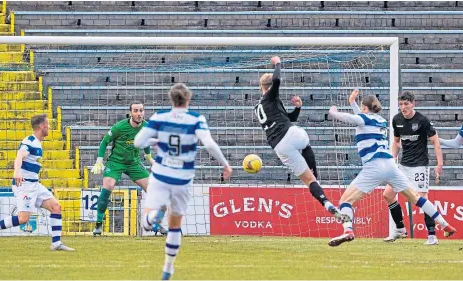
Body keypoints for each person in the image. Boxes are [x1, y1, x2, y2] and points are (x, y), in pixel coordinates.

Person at [327, 92, 456, 247]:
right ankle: (444, 225)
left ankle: (348, 230)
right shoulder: (381, 120)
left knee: (345, 201)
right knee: (416, 198)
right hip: (391, 164)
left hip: (375, 166)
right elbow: (361, 118)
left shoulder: (365, 119)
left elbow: (350, 118)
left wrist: (333, 111)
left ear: (364, 108)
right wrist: (352, 103)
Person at [134, 83, 232, 280]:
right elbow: (209, 144)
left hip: (161, 175)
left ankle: (151, 218)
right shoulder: (196, 119)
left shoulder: (160, 116)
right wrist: (225, 164)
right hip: (183, 178)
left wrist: (156, 141)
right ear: (188, 100)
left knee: (146, 223)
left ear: (171, 99)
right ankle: (168, 268)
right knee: (175, 223)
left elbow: (138, 143)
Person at [254, 56, 348, 222]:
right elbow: (276, 80)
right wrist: (277, 63)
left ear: (260, 86)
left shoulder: (259, 107)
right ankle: (316, 173)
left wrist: (298, 108)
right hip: (290, 134)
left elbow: (288, 118)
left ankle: (327, 204)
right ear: (267, 88)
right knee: (305, 143)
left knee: (308, 181)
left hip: (279, 146)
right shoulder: (270, 96)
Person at [0, 114, 74, 251]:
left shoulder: (38, 142)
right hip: (24, 185)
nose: (49, 127)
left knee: (56, 207)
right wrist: (17, 172)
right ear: (42, 126)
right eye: (47, 124)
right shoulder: (30, 141)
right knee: (23, 219)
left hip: (35, 184)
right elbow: (19, 156)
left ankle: (56, 243)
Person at [90, 103, 162, 235]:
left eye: (141, 111)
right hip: (116, 162)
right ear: (130, 113)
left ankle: (156, 224)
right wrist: (99, 160)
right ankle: (98, 225)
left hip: (134, 162)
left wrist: (149, 158)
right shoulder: (119, 127)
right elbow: (104, 141)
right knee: (108, 186)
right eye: (136, 111)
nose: (139, 113)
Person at [382, 91, 444, 245]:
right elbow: (396, 142)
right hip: (402, 166)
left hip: (420, 166)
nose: (403, 107)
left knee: (422, 199)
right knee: (388, 195)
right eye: (401, 104)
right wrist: (392, 159)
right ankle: (400, 229)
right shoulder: (397, 120)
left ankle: (432, 236)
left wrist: (439, 163)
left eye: (406, 104)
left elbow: (435, 141)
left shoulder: (422, 120)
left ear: (413, 104)